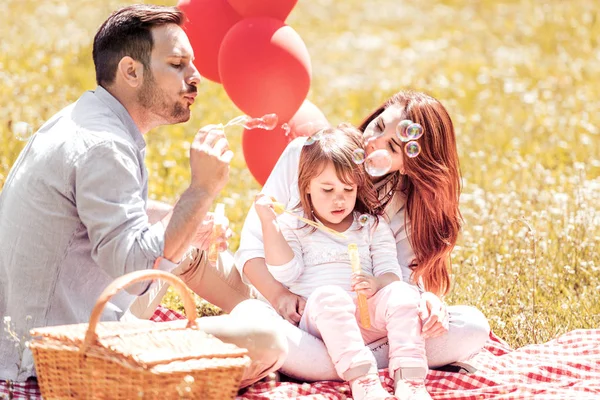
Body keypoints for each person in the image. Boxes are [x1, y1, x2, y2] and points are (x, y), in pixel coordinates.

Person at [0, 4, 286, 390]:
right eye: (177, 63)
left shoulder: (88, 118)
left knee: (187, 241)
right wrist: (200, 191)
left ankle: (280, 311)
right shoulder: (104, 147)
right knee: (266, 341)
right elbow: (134, 273)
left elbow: (100, 218)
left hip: (42, 326)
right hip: (59, 354)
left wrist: (179, 215)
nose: (195, 76)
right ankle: (291, 332)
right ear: (131, 71)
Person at [232, 90, 490, 381]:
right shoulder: (304, 155)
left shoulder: (405, 205)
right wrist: (279, 296)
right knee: (251, 317)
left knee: (473, 325)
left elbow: (399, 284)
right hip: (303, 322)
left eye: (392, 147)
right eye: (378, 126)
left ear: (409, 164)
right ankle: (361, 363)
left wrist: (427, 301)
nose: (373, 142)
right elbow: (251, 248)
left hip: (367, 328)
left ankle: (331, 366)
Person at [253, 125, 432, 399]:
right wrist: (269, 225)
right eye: (327, 189)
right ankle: (364, 381)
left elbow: (391, 275)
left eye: (348, 189)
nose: (339, 199)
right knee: (329, 297)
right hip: (320, 323)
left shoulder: (371, 226)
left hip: (367, 319)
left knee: (403, 294)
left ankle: (410, 380)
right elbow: (286, 273)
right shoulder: (294, 225)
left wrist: (377, 284)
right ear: (307, 187)